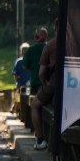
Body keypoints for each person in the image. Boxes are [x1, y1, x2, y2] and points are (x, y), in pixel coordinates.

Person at [31, 21, 58, 151]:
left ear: (56, 29)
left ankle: (40, 139)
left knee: (35, 104)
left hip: (53, 85)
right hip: (74, 86)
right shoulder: (75, 43)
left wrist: (44, 81)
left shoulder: (51, 45)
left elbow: (41, 72)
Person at [12, 42, 30, 117]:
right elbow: (15, 74)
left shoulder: (20, 61)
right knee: (19, 96)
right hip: (25, 83)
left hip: (25, 83)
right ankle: (16, 107)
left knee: (20, 96)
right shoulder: (20, 61)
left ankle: (16, 107)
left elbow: (15, 74)